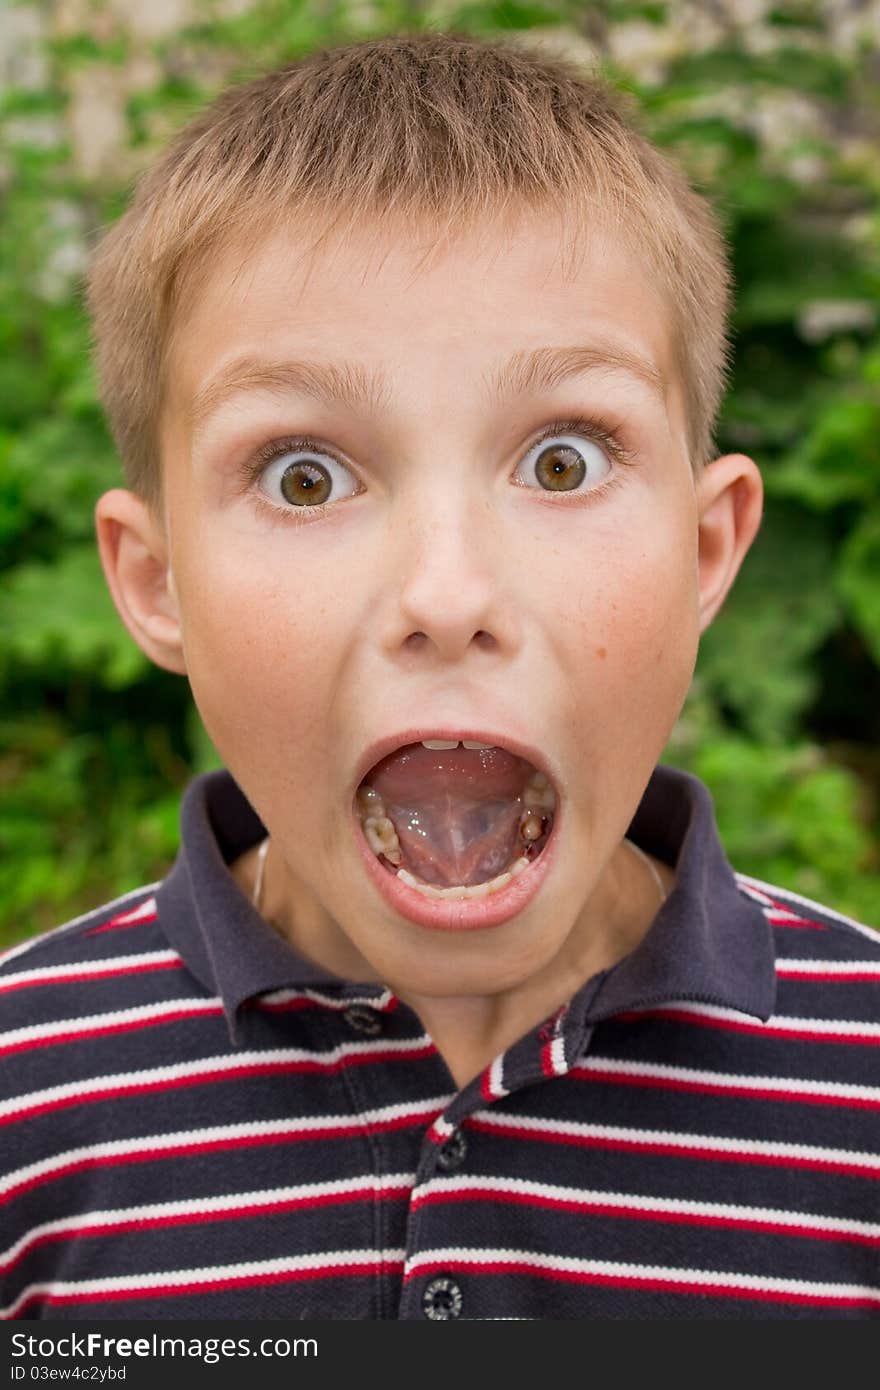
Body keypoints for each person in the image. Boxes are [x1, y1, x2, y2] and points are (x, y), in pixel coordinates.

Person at [2, 32, 877, 1323]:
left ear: (704, 552)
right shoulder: (25, 1100)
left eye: (564, 461)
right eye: (305, 476)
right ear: (156, 579)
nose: (448, 595)